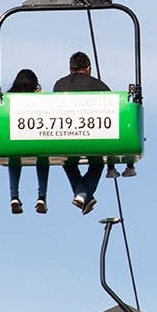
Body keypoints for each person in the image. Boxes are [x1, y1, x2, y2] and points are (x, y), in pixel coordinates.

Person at [53, 51, 111, 215]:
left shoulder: (59, 85)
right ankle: (84, 194)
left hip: (65, 135)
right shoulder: (98, 85)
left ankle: (82, 194)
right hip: (92, 134)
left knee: (68, 161)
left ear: (70, 69)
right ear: (89, 69)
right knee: (98, 162)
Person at [5, 69, 49, 215]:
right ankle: (41, 196)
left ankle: (14, 196)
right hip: (37, 138)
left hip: (16, 139)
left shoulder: (8, 98)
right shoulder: (39, 98)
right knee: (43, 159)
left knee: (14, 160)